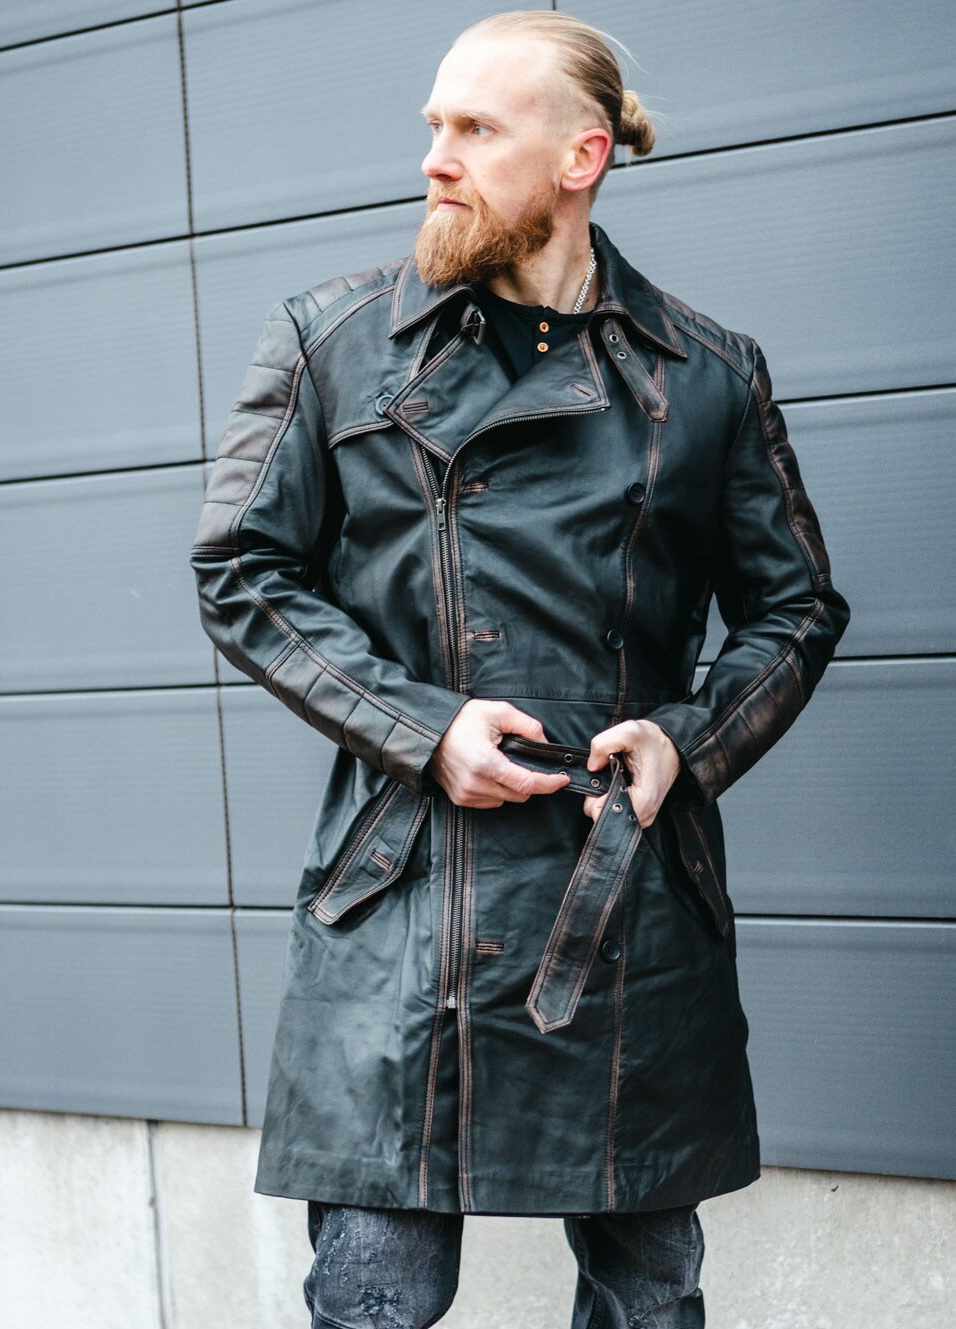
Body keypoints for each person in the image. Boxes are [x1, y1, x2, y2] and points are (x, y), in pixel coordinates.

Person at [189, 10, 850, 1327]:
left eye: (476, 129)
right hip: (403, 895)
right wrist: (422, 727)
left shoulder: (708, 375)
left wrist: (688, 741)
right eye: (434, 124)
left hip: (621, 891)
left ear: (579, 157)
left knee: (647, 1297)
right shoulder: (330, 341)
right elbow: (242, 573)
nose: (434, 157)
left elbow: (794, 609)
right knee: (374, 1296)